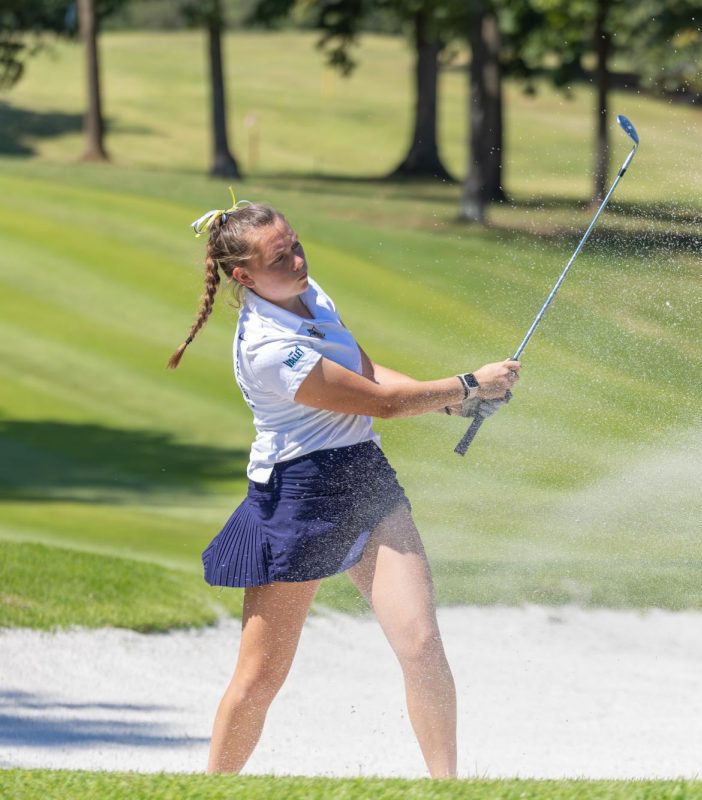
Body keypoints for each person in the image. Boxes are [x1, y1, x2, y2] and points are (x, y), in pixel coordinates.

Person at [168, 193, 519, 778]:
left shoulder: (311, 293)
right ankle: (213, 788)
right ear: (243, 276)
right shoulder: (268, 349)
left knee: (422, 643)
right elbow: (380, 404)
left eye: (297, 246)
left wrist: (455, 405)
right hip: (297, 498)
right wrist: (466, 383)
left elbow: (369, 373)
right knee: (259, 680)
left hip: (363, 478)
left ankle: (450, 789)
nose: (299, 263)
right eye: (281, 259)